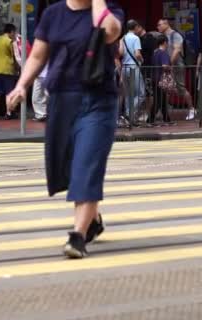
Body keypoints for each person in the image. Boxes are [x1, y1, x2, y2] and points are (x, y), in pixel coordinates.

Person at [7, 0, 123, 259]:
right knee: (69, 168)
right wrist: (21, 85)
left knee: (87, 164)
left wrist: (97, 2)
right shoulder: (53, 14)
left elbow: (109, 31)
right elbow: (38, 55)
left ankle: (77, 236)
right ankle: (92, 220)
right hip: (62, 101)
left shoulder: (111, 11)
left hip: (98, 101)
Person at [157, 18, 197, 120]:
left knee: (181, 88)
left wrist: (169, 63)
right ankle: (164, 110)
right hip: (167, 66)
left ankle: (192, 109)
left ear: (166, 24)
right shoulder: (163, 37)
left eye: (160, 25)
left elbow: (176, 50)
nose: (158, 27)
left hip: (177, 65)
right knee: (165, 88)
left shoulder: (175, 35)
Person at [120, 19, 145, 124]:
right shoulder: (136, 38)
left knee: (129, 94)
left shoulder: (123, 38)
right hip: (133, 67)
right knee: (141, 93)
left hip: (124, 67)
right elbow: (137, 53)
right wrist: (142, 60)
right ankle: (129, 113)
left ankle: (128, 116)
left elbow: (120, 53)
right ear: (135, 27)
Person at [149, 35, 173, 125]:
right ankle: (150, 119)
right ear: (165, 43)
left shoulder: (155, 53)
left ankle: (167, 119)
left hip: (155, 78)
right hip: (161, 79)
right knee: (158, 100)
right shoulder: (163, 53)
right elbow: (164, 65)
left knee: (161, 100)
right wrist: (170, 68)